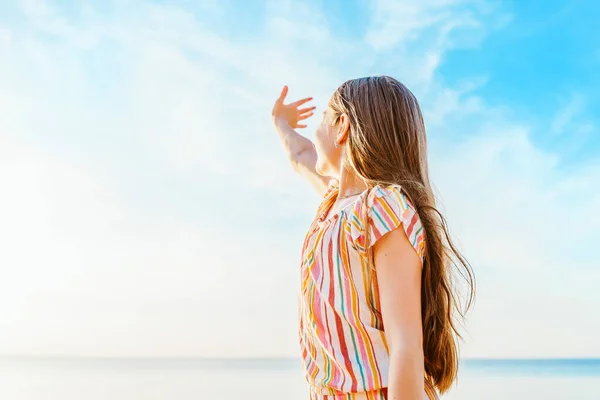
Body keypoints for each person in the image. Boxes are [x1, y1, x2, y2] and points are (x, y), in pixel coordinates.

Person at [271, 76, 475, 400]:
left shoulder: (381, 209)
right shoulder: (333, 202)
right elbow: (300, 156)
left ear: (343, 127)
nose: (315, 130)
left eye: (323, 116)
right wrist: (280, 123)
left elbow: (405, 346)